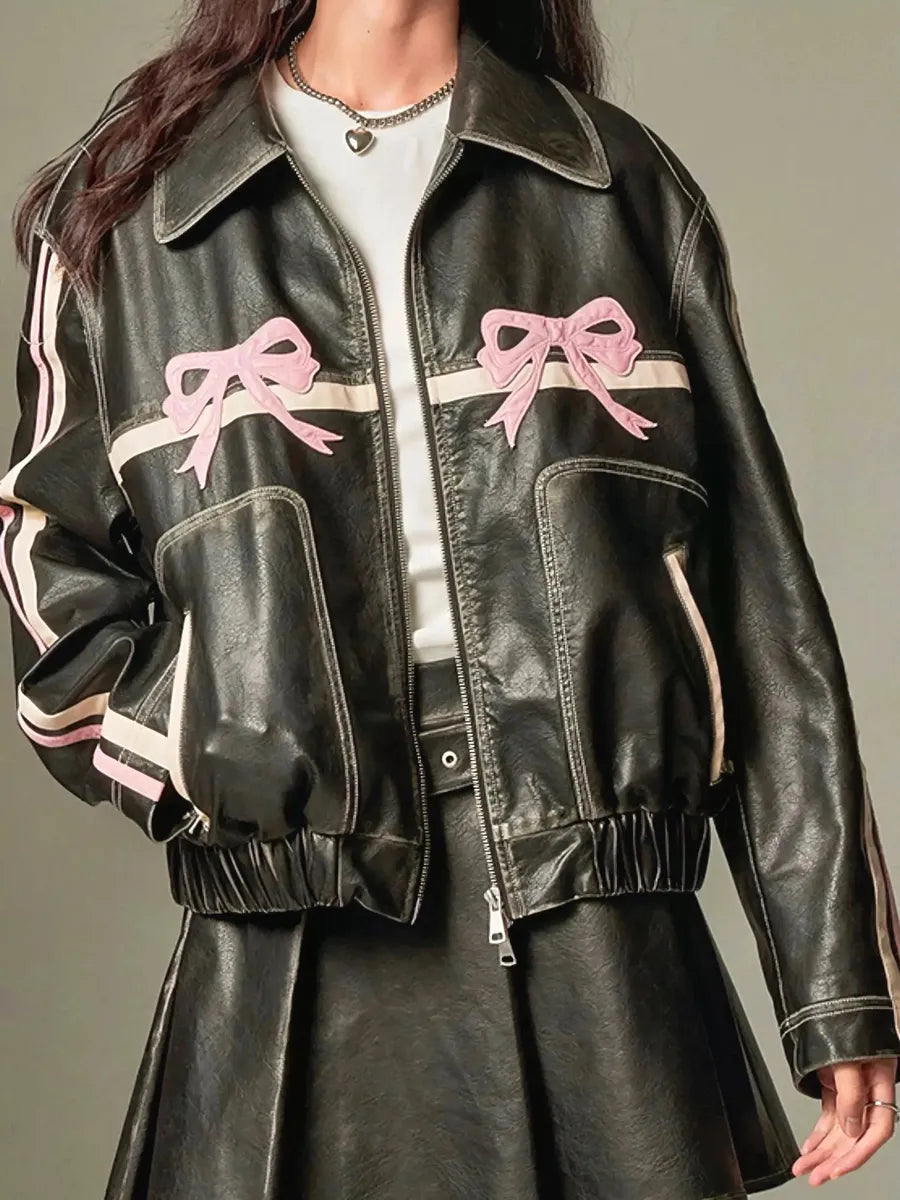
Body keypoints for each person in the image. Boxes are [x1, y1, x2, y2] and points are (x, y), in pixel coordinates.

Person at [2, 0, 898, 1196]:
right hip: (293, 935)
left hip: (601, 923)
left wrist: (837, 984)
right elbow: (50, 575)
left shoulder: (616, 184)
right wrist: (216, 747)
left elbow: (761, 609)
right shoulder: (128, 212)